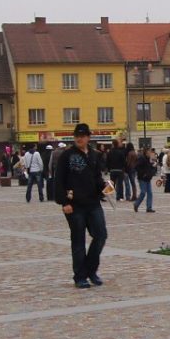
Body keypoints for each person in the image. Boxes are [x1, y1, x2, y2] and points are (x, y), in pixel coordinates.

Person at [55, 123, 108, 289]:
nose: (79, 138)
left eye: (83, 135)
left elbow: (97, 177)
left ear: (88, 137)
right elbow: (58, 180)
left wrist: (106, 188)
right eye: (77, 135)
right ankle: (80, 276)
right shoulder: (67, 155)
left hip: (93, 202)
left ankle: (91, 270)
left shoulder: (94, 155)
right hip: (74, 205)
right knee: (78, 240)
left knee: (100, 235)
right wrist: (64, 202)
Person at [133, 147, 156, 213]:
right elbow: (136, 167)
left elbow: (150, 167)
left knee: (150, 193)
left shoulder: (149, 159)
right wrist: (143, 173)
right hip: (142, 178)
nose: (150, 153)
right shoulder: (142, 158)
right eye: (149, 151)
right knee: (143, 192)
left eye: (151, 152)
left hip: (148, 178)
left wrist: (153, 168)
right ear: (146, 152)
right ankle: (136, 204)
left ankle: (149, 207)